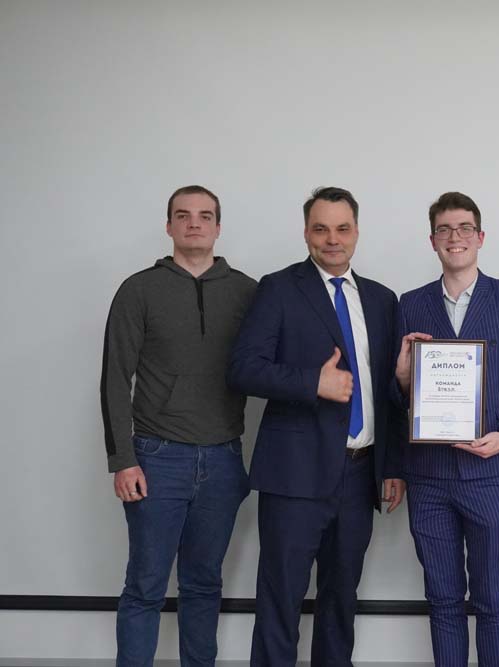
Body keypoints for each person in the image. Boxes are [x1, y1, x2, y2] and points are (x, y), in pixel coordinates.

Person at [227, 186, 406, 666]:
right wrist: (313, 382)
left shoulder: (382, 299)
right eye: (321, 229)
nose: (332, 239)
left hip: (360, 475)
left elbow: (385, 393)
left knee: (340, 602)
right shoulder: (279, 289)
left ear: (357, 232)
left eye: (342, 228)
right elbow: (243, 369)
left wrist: (391, 465)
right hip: (294, 475)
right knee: (280, 601)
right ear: (306, 232)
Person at [393, 191, 499, 667]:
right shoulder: (410, 304)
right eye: (444, 229)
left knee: (490, 596)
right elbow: (401, 397)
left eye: (464, 228)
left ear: (480, 237)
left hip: (491, 472)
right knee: (442, 599)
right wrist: (402, 377)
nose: (454, 237)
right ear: (432, 241)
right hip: (429, 475)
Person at [101, 185, 256, 666]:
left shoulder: (247, 292)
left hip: (224, 458)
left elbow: (272, 364)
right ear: (168, 226)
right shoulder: (139, 290)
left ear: (218, 227)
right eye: (183, 215)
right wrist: (122, 460)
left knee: (204, 584)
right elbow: (115, 378)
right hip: (156, 459)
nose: (194, 223)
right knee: (145, 585)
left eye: (205, 216)